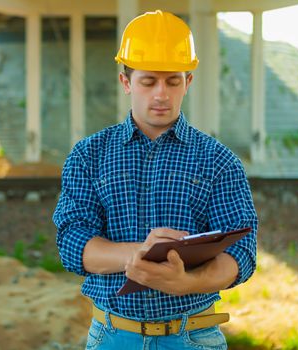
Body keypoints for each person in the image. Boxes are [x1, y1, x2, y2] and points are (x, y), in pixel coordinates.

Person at [53, 10, 257, 349]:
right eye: (149, 81)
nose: (161, 94)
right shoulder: (88, 155)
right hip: (112, 337)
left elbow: (242, 255)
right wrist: (142, 253)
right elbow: (74, 245)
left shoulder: (219, 161)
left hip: (193, 337)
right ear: (126, 82)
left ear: (188, 82)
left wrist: (186, 282)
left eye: (173, 81)